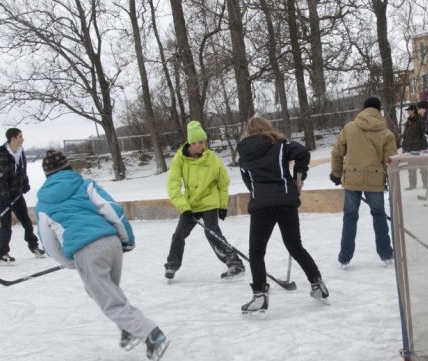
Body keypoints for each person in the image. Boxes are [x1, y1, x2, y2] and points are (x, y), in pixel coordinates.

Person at [36, 150, 169, 361]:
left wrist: (69, 262)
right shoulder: (85, 184)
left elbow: (49, 243)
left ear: (47, 175)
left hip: (87, 251)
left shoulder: (43, 203)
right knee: (108, 291)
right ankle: (129, 329)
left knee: (109, 301)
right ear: (69, 168)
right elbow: (112, 209)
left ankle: (150, 333)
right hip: (111, 242)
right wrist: (126, 239)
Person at [237, 116, 329, 315]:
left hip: (261, 205)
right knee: (295, 246)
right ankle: (317, 283)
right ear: (267, 128)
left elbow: (247, 180)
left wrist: (258, 193)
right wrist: (298, 176)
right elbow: (303, 153)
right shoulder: (280, 144)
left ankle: (260, 295)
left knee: (256, 252)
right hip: (286, 201)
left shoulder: (243, 153)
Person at [165, 121, 244, 280]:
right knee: (179, 234)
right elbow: (172, 186)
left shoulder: (212, 159)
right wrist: (184, 207)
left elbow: (223, 183)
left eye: (205, 142)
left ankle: (234, 263)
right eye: (200, 142)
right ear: (192, 143)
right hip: (191, 205)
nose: (204, 145)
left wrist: (222, 205)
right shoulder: (179, 159)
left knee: (212, 232)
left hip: (210, 202)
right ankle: (172, 265)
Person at [330, 96, 396, 268]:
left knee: (350, 217)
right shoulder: (386, 133)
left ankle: (345, 257)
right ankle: (386, 254)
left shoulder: (350, 128)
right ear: (378, 111)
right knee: (379, 215)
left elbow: (337, 152)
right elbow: (390, 161)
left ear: (363, 109)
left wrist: (336, 174)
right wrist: (392, 180)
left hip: (352, 179)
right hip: (375, 180)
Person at [0, 128, 45, 266]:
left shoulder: (21, 151)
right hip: (4, 194)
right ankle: (2, 254)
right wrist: (4, 194)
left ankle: (34, 246)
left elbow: (23, 170)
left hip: (17, 193)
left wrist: (25, 183)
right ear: (13, 138)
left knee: (26, 222)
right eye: (20, 136)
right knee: (6, 225)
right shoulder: (2, 153)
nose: (23, 138)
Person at [401, 104, 428, 190]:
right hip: (410, 148)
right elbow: (405, 136)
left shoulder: (420, 120)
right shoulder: (407, 123)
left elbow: (424, 133)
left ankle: (425, 184)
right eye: (407, 110)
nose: (408, 112)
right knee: (411, 168)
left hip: (419, 148)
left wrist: (423, 146)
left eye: (409, 110)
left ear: (413, 110)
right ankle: (412, 184)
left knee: (423, 167)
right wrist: (404, 147)